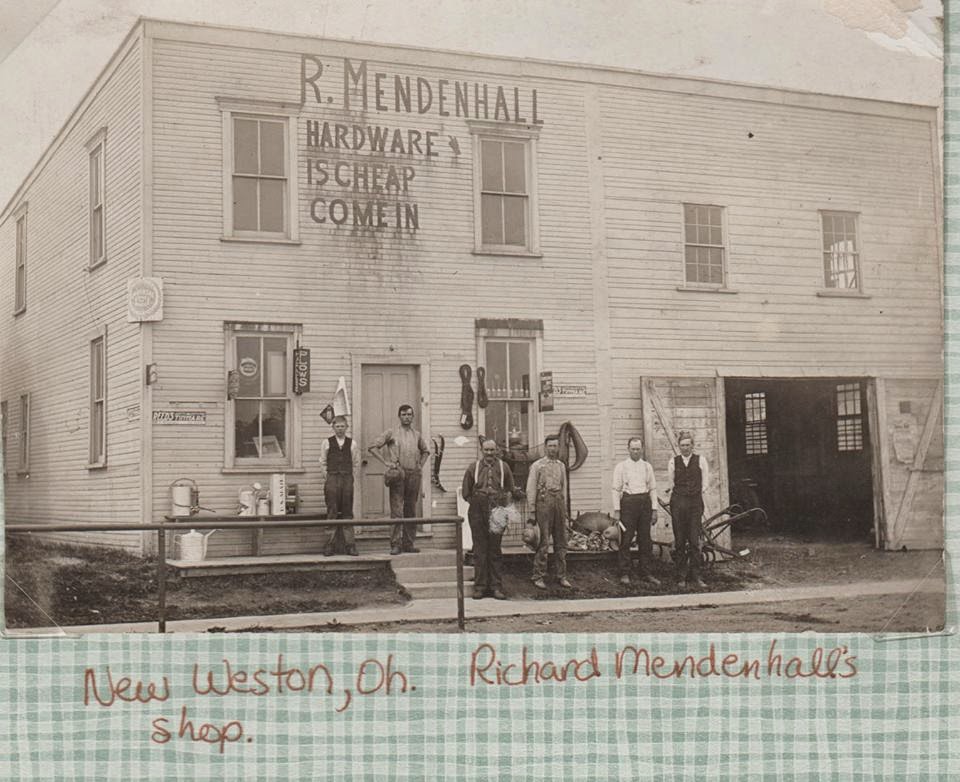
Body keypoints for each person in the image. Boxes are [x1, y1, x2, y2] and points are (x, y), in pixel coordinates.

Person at [368, 404, 431, 555]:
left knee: (410, 509)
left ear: (413, 416)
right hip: (398, 475)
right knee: (397, 511)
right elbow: (372, 447)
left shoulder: (417, 435)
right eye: (404, 414)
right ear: (399, 416)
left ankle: (408, 543)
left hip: (413, 476)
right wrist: (386, 462)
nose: (407, 417)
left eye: (409, 414)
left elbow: (426, 451)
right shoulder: (392, 433)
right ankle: (395, 544)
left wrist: (419, 466)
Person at [462, 439, 515, 600]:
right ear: (482, 450)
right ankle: (480, 587)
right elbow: (466, 492)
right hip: (478, 508)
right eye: (486, 450)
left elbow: (510, 489)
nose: (489, 453)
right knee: (479, 549)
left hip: (497, 508)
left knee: (495, 549)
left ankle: (496, 587)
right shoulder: (474, 467)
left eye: (492, 450)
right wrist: (479, 502)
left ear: (497, 450)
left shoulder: (503, 467)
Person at [611, 437, 662, 587]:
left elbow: (652, 489)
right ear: (628, 449)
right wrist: (617, 510)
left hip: (644, 504)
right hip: (628, 504)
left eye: (638, 449)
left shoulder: (647, 467)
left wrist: (654, 510)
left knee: (645, 539)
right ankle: (625, 572)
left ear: (642, 449)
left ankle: (646, 572)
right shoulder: (621, 467)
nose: (635, 451)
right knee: (626, 539)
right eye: (633, 449)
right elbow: (615, 489)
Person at [666, 431, 710, 589]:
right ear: (679, 446)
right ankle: (681, 576)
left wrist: (695, 493)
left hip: (694, 503)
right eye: (682, 445)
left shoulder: (701, 460)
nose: (685, 448)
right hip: (678, 503)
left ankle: (696, 575)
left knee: (694, 541)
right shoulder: (673, 462)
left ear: (692, 446)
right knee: (679, 541)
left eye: (687, 445)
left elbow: (705, 482)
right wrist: (680, 496)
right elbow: (671, 484)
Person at [526, 434, 571, 589]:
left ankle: (561, 575)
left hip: (558, 502)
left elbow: (564, 487)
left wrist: (564, 509)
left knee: (561, 541)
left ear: (558, 448)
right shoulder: (538, 465)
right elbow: (531, 488)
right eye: (550, 446)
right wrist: (532, 510)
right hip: (543, 504)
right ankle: (538, 575)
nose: (553, 449)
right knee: (543, 541)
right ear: (545, 447)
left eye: (555, 446)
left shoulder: (561, 465)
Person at [319, 415, 360, 556]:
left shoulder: (352, 444)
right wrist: (328, 477)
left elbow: (355, 463)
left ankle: (350, 545)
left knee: (347, 511)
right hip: (332, 478)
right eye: (337, 426)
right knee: (332, 510)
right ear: (333, 427)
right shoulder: (327, 443)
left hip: (347, 479)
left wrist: (349, 475)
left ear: (346, 427)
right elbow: (323, 462)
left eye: (343, 426)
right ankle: (329, 545)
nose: (340, 429)